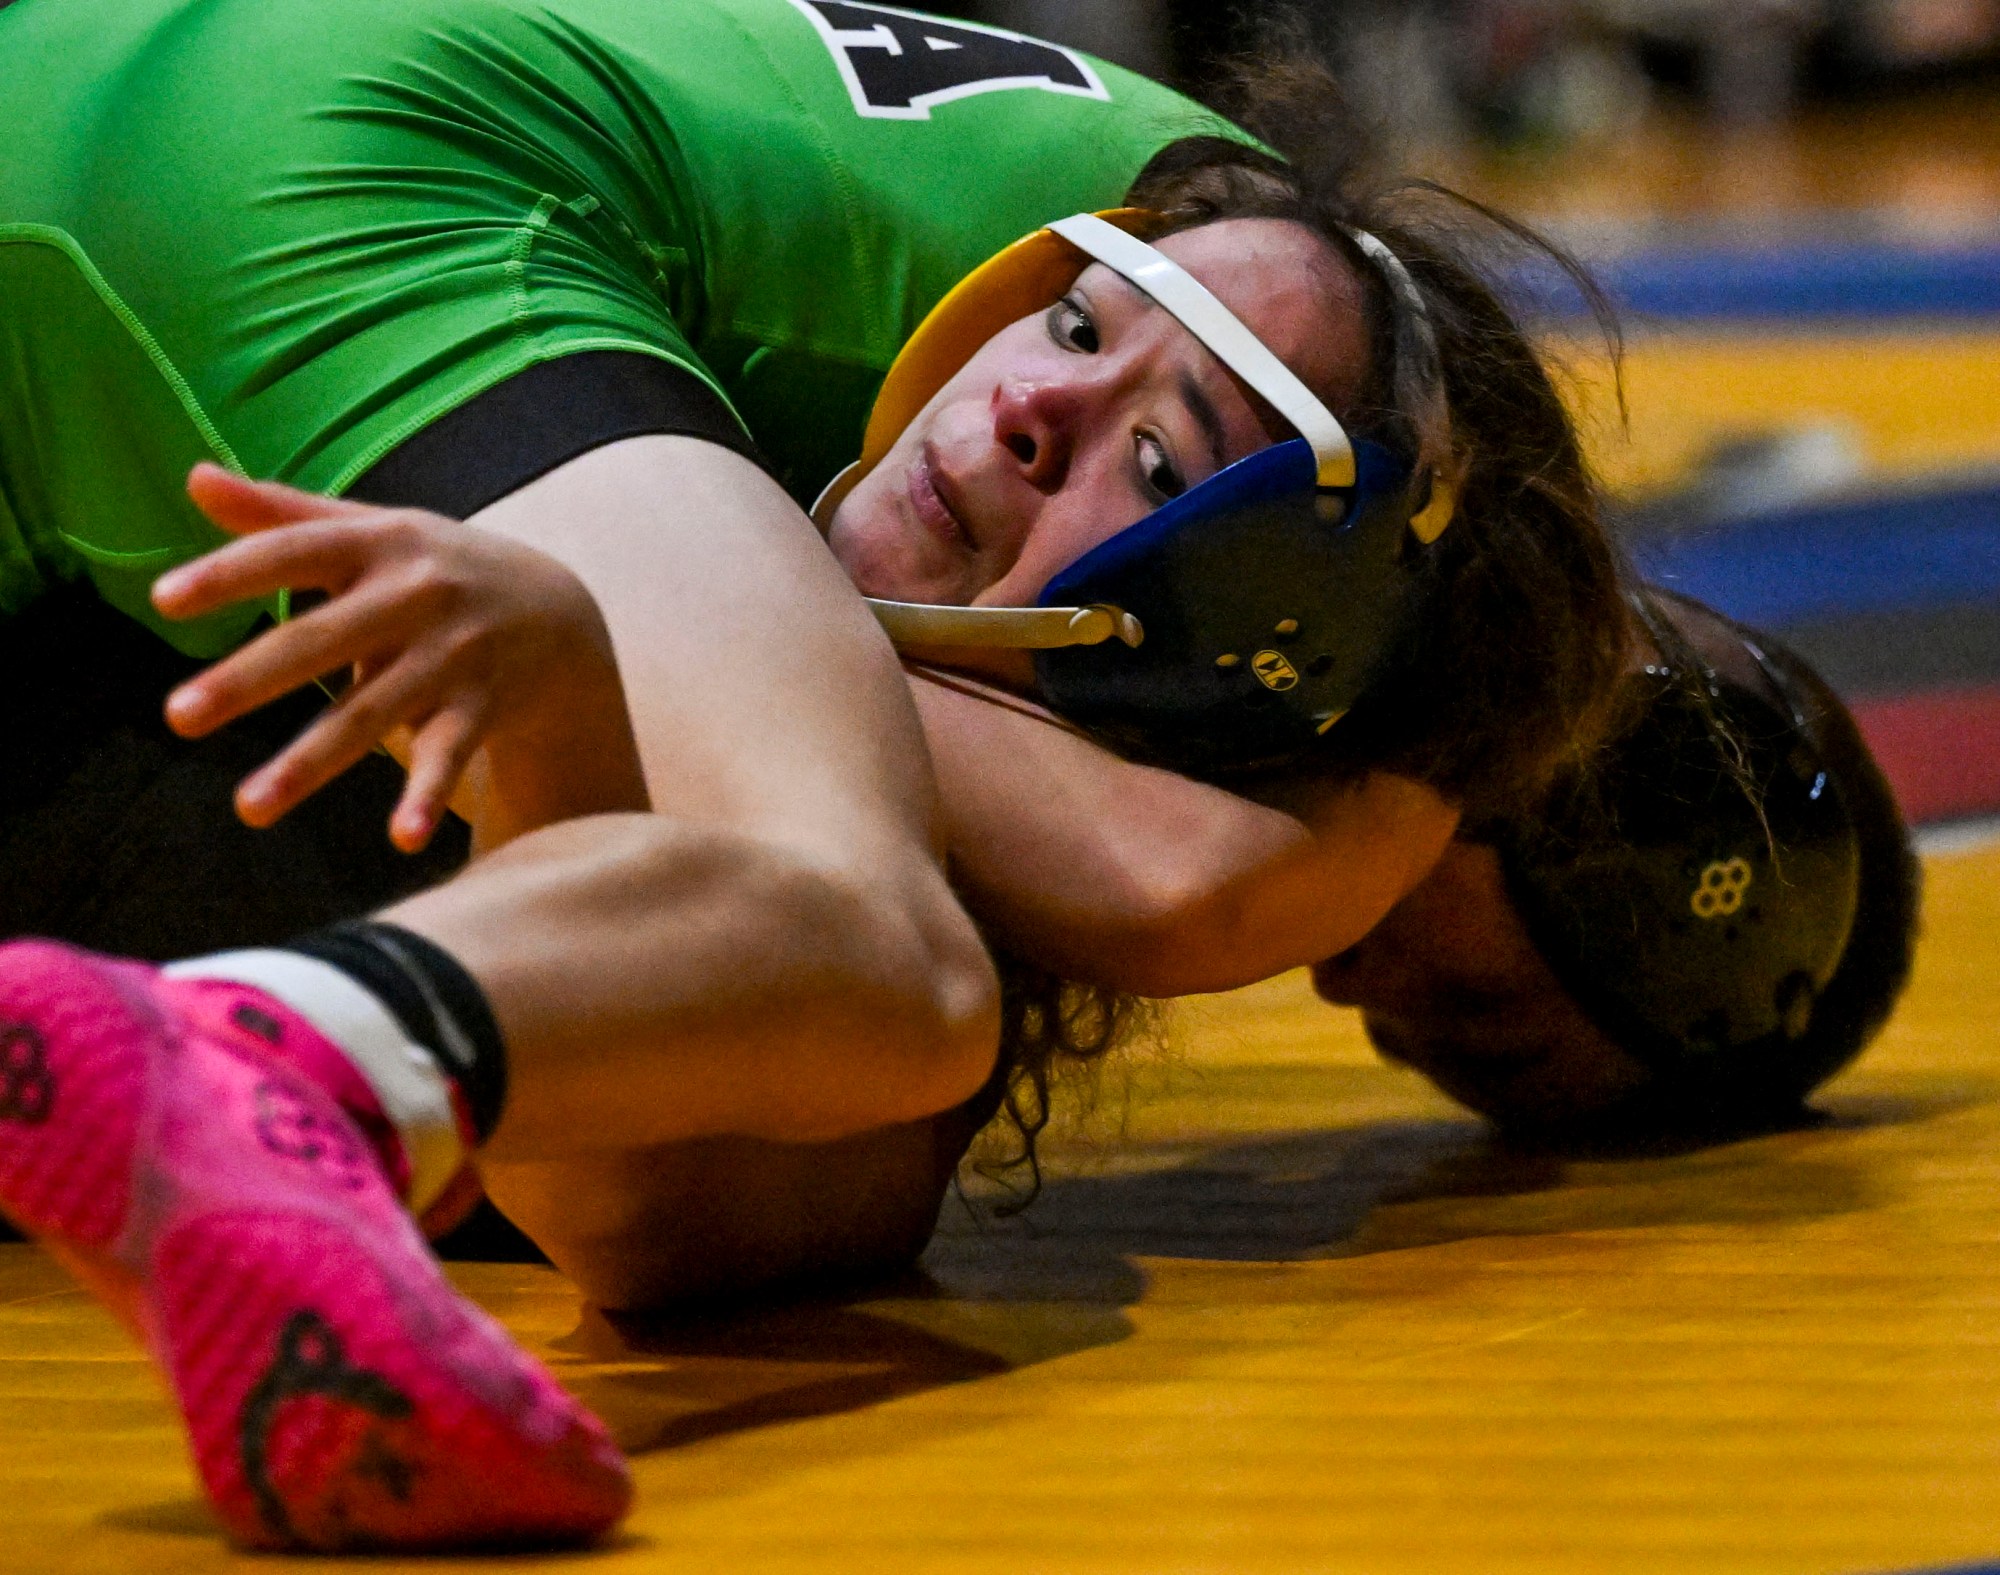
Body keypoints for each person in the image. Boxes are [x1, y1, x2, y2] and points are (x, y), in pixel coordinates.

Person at [0, 0, 1635, 1551]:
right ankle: (267, 1055)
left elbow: (652, 1229)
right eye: (1077, 326)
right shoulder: (1319, 371)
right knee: (889, 956)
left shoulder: (1284, 293)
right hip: (371, 168)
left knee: (802, 1128)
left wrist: (571, 737)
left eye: (1146, 461)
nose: (1030, 401)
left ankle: (292, 1061)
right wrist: (1344, 855)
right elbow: (1173, 882)